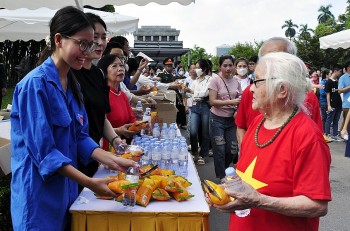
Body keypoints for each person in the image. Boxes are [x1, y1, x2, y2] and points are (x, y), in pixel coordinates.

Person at [10, 7, 137, 231]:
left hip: (67, 189)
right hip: (39, 196)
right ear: (59, 39)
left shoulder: (72, 83)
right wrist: (90, 183)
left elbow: (79, 136)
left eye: (91, 44)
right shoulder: (35, 85)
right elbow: (45, 153)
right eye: (82, 43)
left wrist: (111, 158)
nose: (88, 51)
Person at [210, 52, 331, 231]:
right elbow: (246, 179)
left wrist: (260, 201)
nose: (250, 88)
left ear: (281, 89)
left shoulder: (308, 137)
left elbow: (316, 205)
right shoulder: (258, 123)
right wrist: (227, 193)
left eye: (257, 81)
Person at [71, 12, 133, 179]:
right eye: (94, 37)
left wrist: (116, 141)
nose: (99, 43)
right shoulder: (68, 74)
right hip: (73, 157)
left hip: (93, 154)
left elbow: (101, 116)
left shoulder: (98, 74)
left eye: (103, 37)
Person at [235, 37, 323, 147]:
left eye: (278, 59)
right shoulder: (251, 92)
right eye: (265, 59)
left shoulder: (308, 99)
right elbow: (241, 126)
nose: (270, 64)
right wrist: (247, 154)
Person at [208, 55, 241, 180]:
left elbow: (240, 98)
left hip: (231, 120)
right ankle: (222, 176)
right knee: (220, 149)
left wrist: (237, 108)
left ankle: (225, 169)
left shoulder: (236, 81)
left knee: (232, 150)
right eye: (225, 65)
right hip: (217, 119)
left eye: (230, 65)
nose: (228, 68)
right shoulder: (215, 80)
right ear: (219, 67)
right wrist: (232, 102)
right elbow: (212, 101)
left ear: (233, 66)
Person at [97, 55, 137, 149]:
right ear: (105, 73)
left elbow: (131, 119)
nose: (120, 69)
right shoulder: (101, 95)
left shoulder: (122, 95)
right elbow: (98, 127)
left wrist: (141, 126)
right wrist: (118, 131)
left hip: (122, 145)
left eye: (121, 65)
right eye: (114, 66)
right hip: (106, 148)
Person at [187, 59, 212, 165]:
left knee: (205, 132)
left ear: (204, 69)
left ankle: (203, 155)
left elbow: (204, 93)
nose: (196, 69)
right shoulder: (195, 81)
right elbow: (189, 94)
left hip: (205, 106)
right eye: (195, 67)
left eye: (198, 67)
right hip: (194, 106)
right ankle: (194, 152)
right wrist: (187, 91)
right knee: (192, 131)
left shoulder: (210, 80)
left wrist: (192, 92)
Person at [324, 64, 343, 141]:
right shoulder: (329, 82)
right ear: (335, 71)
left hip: (339, 104)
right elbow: (328, 94)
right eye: (340, 71)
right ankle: (327, 134)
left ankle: (335, 134)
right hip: (332, 104)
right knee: (329, 119)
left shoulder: (337, 81)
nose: (340, 73)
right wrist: (329, 105)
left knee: (336, 120)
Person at [338, 61, 350, 129]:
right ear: (348, 68)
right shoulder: (343, 78)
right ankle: (343, 135)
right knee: (346, 123)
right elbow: (339, 91)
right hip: (347, 104)